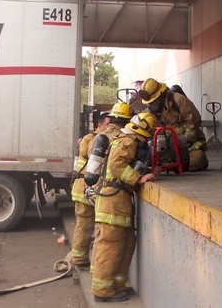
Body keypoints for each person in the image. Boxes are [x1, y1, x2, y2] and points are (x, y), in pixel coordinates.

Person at [90, 112, 158, 302]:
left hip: (119, 200)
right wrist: (138, 178)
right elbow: (116, 165)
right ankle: (102, 291)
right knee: (110, 245)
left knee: (126, 242)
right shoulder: (128, 141)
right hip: (113, 200)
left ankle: (117, 285)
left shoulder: (127, 139)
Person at [69, 103, 132, 271]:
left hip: (84, 186)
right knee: (89, 226)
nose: (108, 126)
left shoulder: (95, 137)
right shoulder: (96, 139)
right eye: (105, 123)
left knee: (87, 225)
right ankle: (82, 260)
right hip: (87, 186)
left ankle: (81, 258)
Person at [139, 78, 208, 171]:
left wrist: (182, 143)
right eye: (149, 103)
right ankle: (170, 165)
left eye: (153, 102)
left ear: (160, 96)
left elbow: (194, 121)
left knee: (198, 158)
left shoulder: (178, 100)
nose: (150, 105)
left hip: (188, 145)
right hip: (165, 148)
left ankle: (173, 165)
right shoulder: (150, 111)